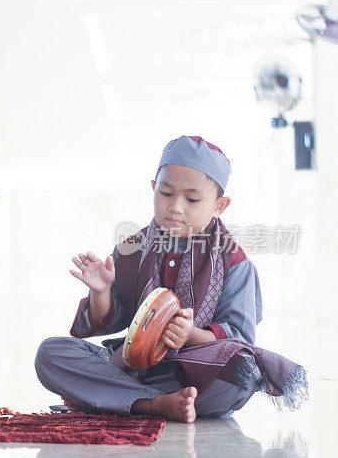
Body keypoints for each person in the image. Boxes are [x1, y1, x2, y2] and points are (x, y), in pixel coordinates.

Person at [35, 136, 306, 422]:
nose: (176, 207)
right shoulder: (131, 249)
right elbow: (111, 320)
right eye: (166, 193)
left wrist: (190, 336)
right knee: (51, 353)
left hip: (193, 371)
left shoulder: (235, 263)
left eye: (192, 199)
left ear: (219, 206)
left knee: (243, 374)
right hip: (131, 364)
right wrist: (101, 291)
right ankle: (153, 404)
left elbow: (239, 337)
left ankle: (111, 397)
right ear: (154, 189)